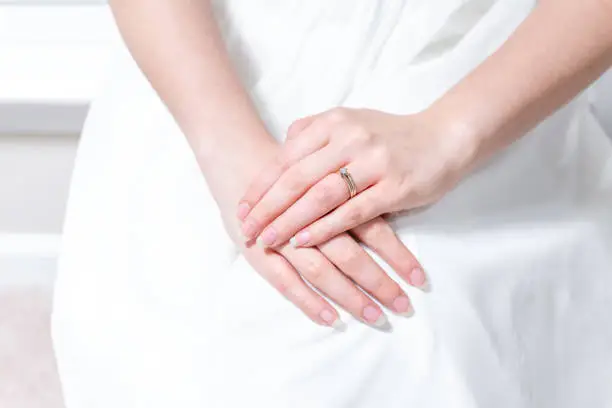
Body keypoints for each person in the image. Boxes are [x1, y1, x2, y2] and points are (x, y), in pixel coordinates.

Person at [52, 0, 612, 406]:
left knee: (395, 336)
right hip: (208, 60)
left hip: (486, 64)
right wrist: (229, 151)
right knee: (164, 344)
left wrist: (451, 134)